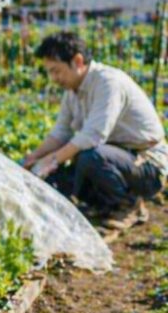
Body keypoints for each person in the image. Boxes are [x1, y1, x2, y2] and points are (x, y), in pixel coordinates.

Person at [23, 31, 168, 230]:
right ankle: (104, 204)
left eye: (56, 71)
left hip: (147, 165)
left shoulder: (108, 83)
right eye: (49, 72)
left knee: (90, 157)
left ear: (77, 61)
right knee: (61, 177)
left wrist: (53, 159)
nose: (53, 78)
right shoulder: (72, 91)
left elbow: (93, 135)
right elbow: (61, 133)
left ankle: (129, 205)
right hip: (116, 157)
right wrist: (34, 158)